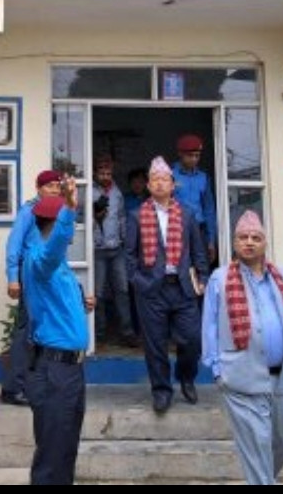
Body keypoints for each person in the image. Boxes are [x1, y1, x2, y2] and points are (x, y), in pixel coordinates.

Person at [202, 210, 283, 486]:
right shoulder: (220, 278)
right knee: (257, 443)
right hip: (241, 376)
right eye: (243, 237)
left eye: (255, 237)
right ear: (235, 243)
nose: (249, 242)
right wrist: (217, 368)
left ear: (265, 243)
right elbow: (210, 325)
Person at [21, 179, 94, 486]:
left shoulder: (58, 264)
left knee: (65, 451)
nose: (71, 233)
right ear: (53, 225)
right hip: (54, 370)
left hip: (70, 369)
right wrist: (69, 210)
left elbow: (56, 302)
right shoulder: (40, 258)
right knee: (52, 457)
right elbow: (51, 253)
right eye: (66, 225)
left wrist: (81, 303)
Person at [125, 156, 209, 413]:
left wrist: (203, 279)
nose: (160, 184)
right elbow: (129, 256)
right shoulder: (136, 216)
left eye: (164, 179)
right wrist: (138, 281)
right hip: (151, 289)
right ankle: (161, 390)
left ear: (173, 185)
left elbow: (198, 251)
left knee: (192, 339)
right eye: (155, 180)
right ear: (149, 186)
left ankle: (186, 377)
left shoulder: (187, 214)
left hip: (183, 287)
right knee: (155, 344)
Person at [1, 168, 65, 406]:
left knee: (43, 331)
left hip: (48, 277)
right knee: (26, 333)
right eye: (49, 186)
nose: (54, 190)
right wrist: (13, 277)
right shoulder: (29, 211)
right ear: (39, 188)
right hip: (30, 276)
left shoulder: (59, 211)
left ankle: (34, 384)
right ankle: (13, 389)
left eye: (57, 186)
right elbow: (14, 245)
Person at [91, 157, 138, 347]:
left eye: (108, 173)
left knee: (123, 290)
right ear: (95, 173)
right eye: (101, 173)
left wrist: (126, 243)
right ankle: (99, 333)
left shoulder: (117, 193)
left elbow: (122, 218)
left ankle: (127, 332)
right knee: (99, 293)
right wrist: (95, 216)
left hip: (117, 248)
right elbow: (79, 217)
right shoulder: (89, 190)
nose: (105, 176)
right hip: (97, 249)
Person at [172, 133, 218, 268]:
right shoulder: (170, 175)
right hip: (177, 228)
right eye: (190, 155)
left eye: (197, 156)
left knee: (202, 267)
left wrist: (211, 240)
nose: (194, 159)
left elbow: (209, 210)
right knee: (180, 267)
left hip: (199, 228)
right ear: (180, 154)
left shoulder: (203, 177)